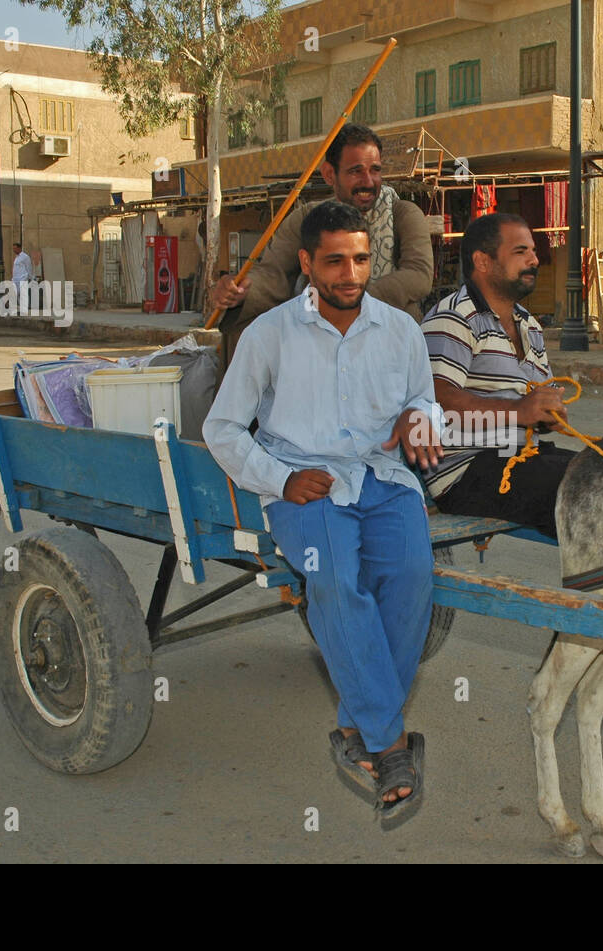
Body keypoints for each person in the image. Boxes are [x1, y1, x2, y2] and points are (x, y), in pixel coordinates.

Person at [203, 201, 442, 818]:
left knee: (415, 579)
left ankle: (356, 726)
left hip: (385, 478)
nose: (350, 273)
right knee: (336, 580)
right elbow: (223, 428)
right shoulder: (268, 334)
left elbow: (422, 397)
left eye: (361, 259)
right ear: (307, 263)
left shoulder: (401, 330)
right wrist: (280, 479)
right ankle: (388, 744)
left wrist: (421, 417)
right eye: (334, 261)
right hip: (307, 487)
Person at [210, 123, 432, 365]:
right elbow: (274, 275)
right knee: (247, 330)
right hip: (318, 335)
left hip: (386, 336)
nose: (368, 182)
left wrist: (351, 303)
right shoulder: (307, 218)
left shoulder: (403, 214)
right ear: (329, 174)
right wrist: (240, 291)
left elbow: (418, 275)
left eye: (375, 170)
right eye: (356, 171)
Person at [420, 213, 574, 539]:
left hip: (519, 456)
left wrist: (545, 415)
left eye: (533, 250)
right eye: (521, 252)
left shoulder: (529, 324)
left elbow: (532, 398)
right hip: (466, 472)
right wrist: (519, 411)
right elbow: (437, 401)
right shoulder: (454, 317)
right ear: (483, 261)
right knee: (593, 491)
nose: (534, 259)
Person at [12, 242, 33, 311]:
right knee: (16, 293)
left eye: (15, 248)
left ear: (19, 248)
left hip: (23, 278)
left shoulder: (25, 257)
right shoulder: (17, 257)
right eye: (13, 249)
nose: (14, 250)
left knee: (23, 293)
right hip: (16, 279)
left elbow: (29, 267)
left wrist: (29, 277)